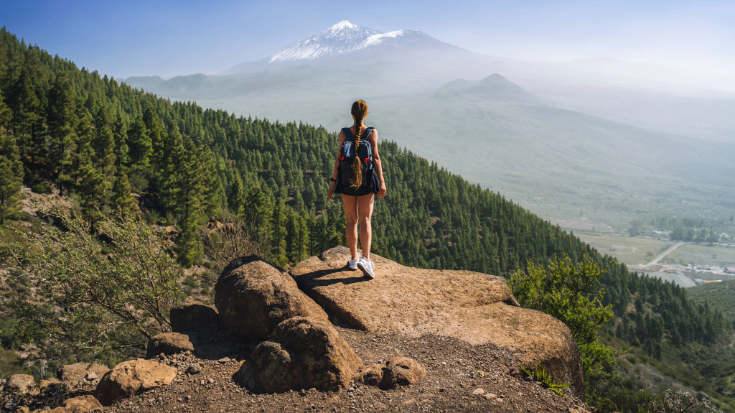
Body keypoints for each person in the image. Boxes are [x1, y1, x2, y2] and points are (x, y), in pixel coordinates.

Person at [327, 100, 386, 278]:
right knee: (365, 219)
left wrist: (333, 183)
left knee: (351, 220)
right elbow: (375, 158)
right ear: (365, 114)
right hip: (366, 181)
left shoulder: (344, 133)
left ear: (351, 114)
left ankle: (353, 259)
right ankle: (366, 259)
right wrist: (382, 182)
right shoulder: (371, 133)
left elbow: (338, 159)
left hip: (346, 181)